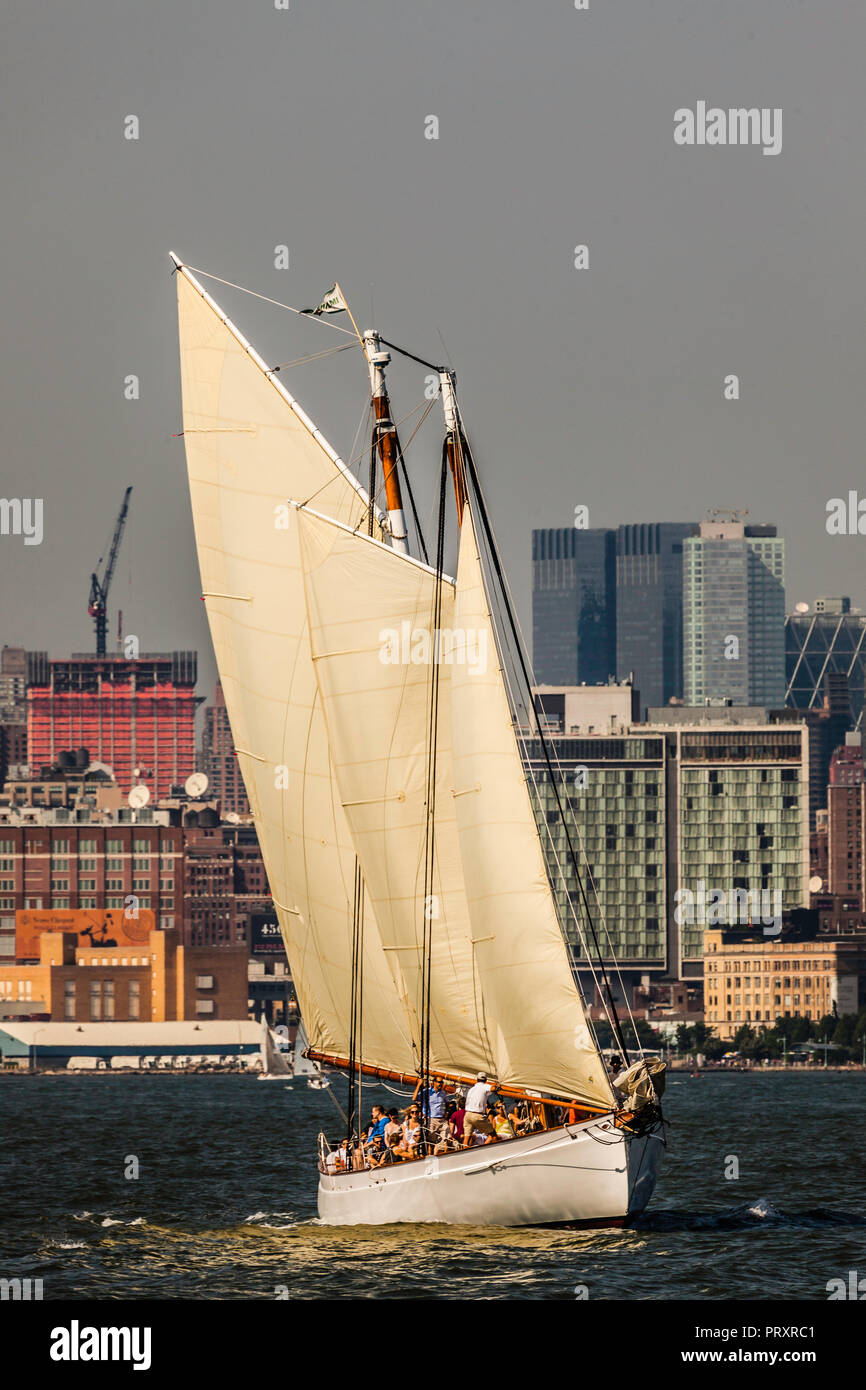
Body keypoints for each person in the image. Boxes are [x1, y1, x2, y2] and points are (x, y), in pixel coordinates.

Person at [462, 1072, 495, 1147]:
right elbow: (492, 1088)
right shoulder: (484, 1086)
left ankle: (463, 1153)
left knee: (467, 1138)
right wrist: (497, 1085)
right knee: (493, 1135)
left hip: (467, 1115)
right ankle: (486, 1151)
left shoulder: (472, 1089)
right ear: (485, 1080)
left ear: (477, 1079)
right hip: (477, 1115)